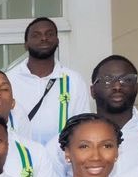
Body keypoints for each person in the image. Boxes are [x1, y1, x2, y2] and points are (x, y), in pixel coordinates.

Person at [48, 55, 138, 177]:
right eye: (107, 80)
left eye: (126, 80)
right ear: (92, 91)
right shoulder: (70, 137)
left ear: (137, 88)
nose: (117, 86)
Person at [7, 17, 92, 146]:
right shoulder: (9, 80)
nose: (44, 38)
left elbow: (83, 126)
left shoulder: (73, 80)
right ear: (26, 44)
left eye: (49, 34)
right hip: (21, 158)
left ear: (57, 41)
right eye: (36, 35)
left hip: (63, 161)